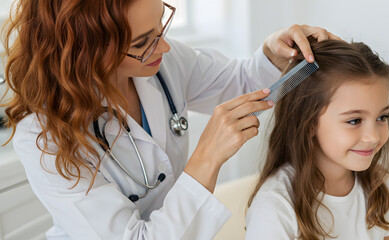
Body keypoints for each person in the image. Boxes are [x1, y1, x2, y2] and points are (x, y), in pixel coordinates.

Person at [0, 0, 339, 239]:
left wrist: (272, 53)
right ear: (86, 49)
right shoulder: (43, 137)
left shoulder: (163, 63)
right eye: (143, 42)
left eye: (160, 23)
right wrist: (207, 158)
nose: (163, 47)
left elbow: (238, 82)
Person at [245, 38, 389, 240]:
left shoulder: (379, 186)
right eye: (355, 120)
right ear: (309, 123)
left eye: (382, 117)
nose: (373, 137)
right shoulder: (274, 207)